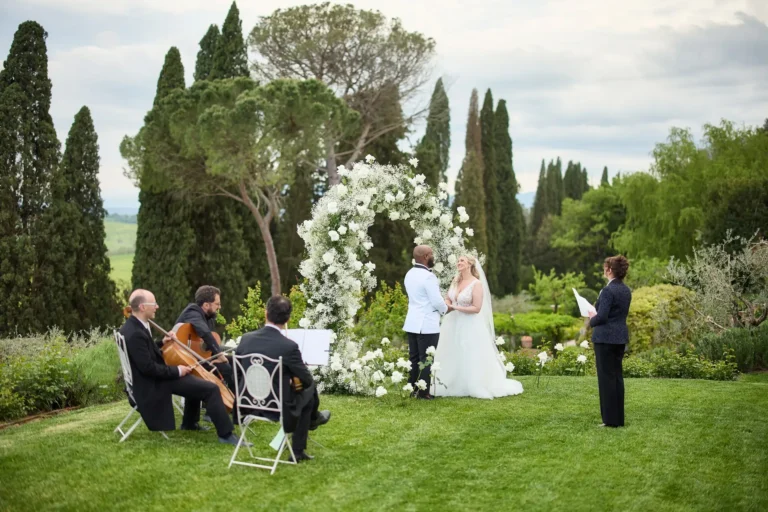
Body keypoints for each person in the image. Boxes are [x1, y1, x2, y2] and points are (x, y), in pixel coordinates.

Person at [119, 289, 242, 445]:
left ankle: (189, 423)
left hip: (150, 380)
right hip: (152, 385)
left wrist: (162, 343)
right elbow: (148, 368)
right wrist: (177, 370)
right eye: (154, 303)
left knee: (194, 378)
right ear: (143, 307)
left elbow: (146, 352)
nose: (157, 306)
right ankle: (226, 435)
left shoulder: (134, 326)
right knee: (210, 388)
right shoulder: (136, 332)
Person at [235, 296, 331, 462]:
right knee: (308, 391)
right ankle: (300, 446)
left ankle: (314, 420)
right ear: (288, 319)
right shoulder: (288, 346)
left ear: (266, 314)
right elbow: (306, 379)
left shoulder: (246, 339)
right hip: (276, 407)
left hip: (248, 402)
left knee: (303, 390)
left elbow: (237, 371)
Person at [432, 255, 524, 399]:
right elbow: (449, 298)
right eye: (458, 261)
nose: (459, 263)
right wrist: (447, 304)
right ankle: (449, 383)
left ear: (470, 264)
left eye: (462, 260)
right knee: (451, 351)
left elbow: (476, 308)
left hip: (469, 324)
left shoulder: (476, 284)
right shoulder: (456, 280)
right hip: (451, 323)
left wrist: (455, 307)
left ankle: (473, 384)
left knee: (470, 353)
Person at [588, 255, 632, 428]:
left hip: (605, 338)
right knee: (616, 378)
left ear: (609, 270)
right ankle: (618, 418)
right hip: (619, 337)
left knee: (606, 380)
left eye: (605, 267)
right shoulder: (626, 290)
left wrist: (592, 318)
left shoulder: (608, 290)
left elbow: (602, 316)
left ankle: (609, 420)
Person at [402, 245, 449, 399]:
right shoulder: (429, 277)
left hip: (412, 322)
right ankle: (423, 392)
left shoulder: (409, 273)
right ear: (426, 256)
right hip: (427, 324)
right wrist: (446, 309)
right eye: (431, 254)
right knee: (427, 359)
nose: (433, 256)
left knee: (414, 358)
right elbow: (436, 301)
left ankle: (412, 388)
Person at [176, 285, 234, 390]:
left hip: (201, 359)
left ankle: (236, 400)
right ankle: (231, 402)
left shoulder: (209, 318)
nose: (219, 307)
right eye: (217, 304)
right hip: (186, 360)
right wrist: (220, 356)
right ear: (206, 305)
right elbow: (205, 332)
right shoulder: (192, 311)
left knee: (236, 361)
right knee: (225, 367)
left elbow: (207, 345)